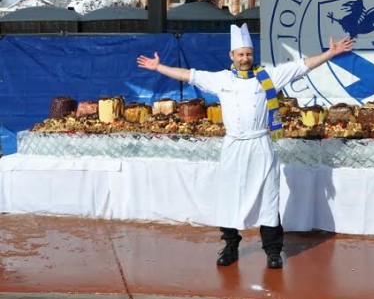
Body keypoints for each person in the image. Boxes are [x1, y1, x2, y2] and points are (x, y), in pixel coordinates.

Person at [137, 23, 354, 269]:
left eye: (248, 54)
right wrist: (159, 67)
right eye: (240, 54)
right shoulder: (220, 79)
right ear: (232, 56)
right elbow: (188, 75)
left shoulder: (268, 77)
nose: (245, 58)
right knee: (230, 196)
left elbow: (301, 66)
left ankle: (273, 251)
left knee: (269, 199)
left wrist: (330, 53)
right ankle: (230, 247)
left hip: (261, 145)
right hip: (234, 147)